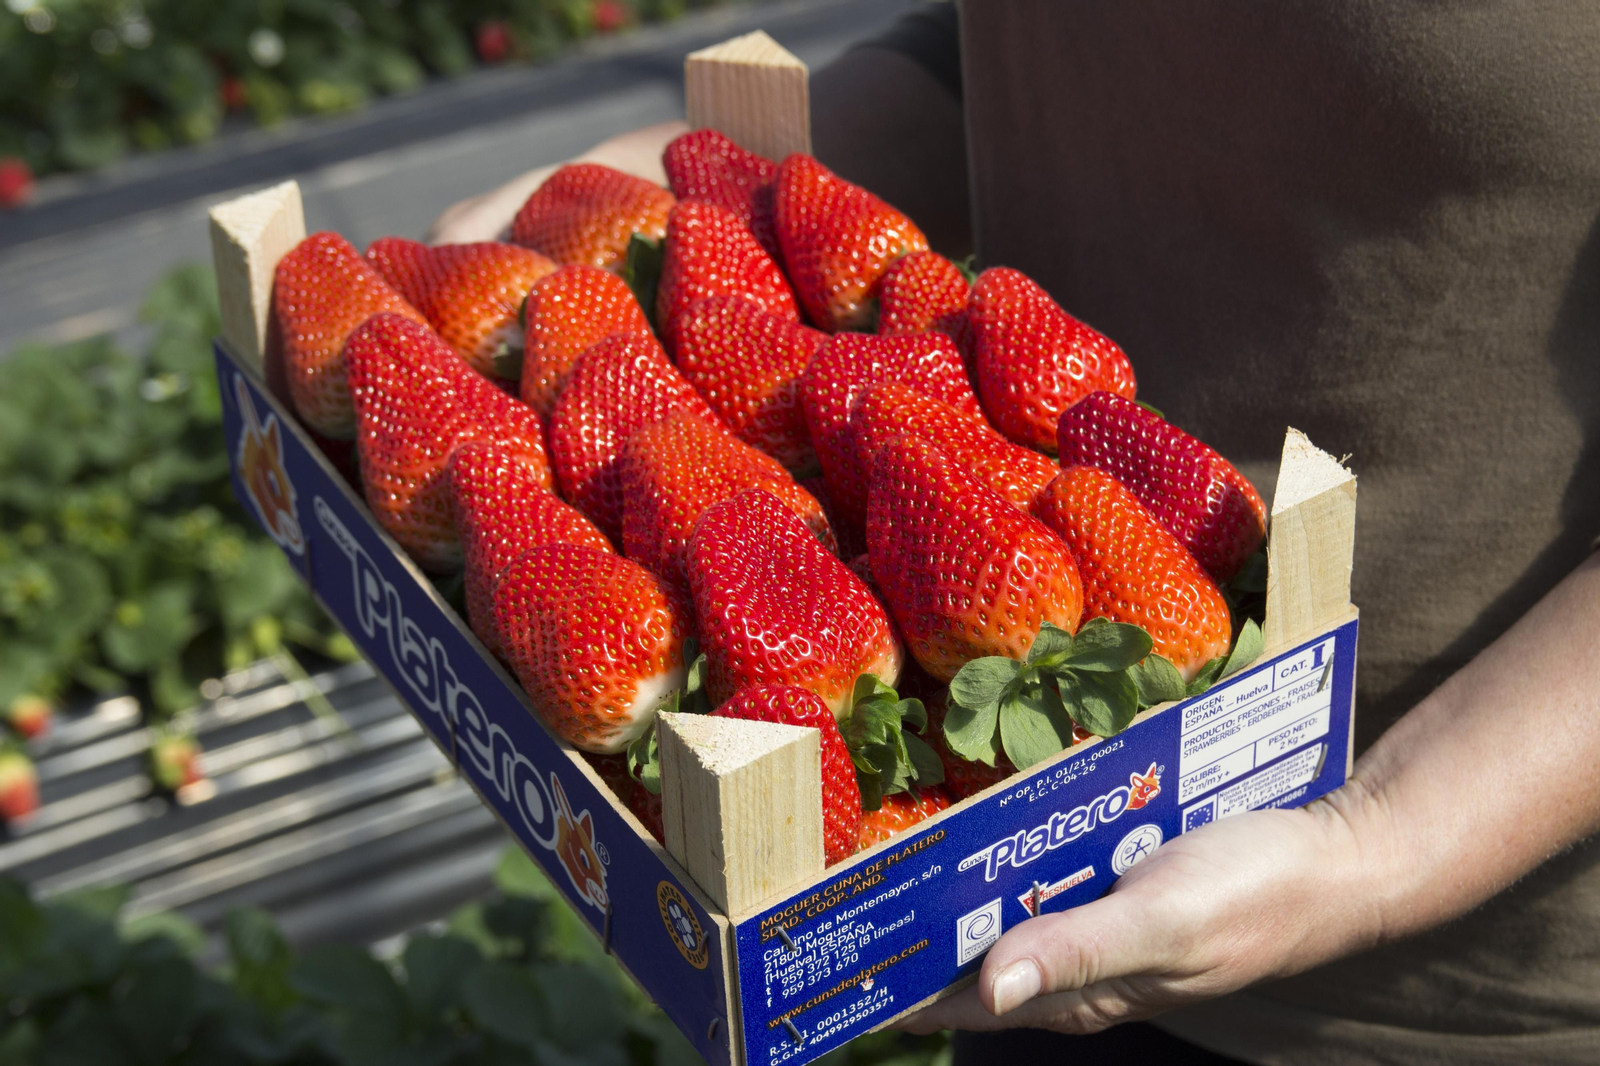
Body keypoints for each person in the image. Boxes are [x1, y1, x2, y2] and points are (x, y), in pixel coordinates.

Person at [432, 4, 1600, 1062]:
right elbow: (1026, 56)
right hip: (1036, 849)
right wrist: (721, 197)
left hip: (1454, 979)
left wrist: (1371, 843)